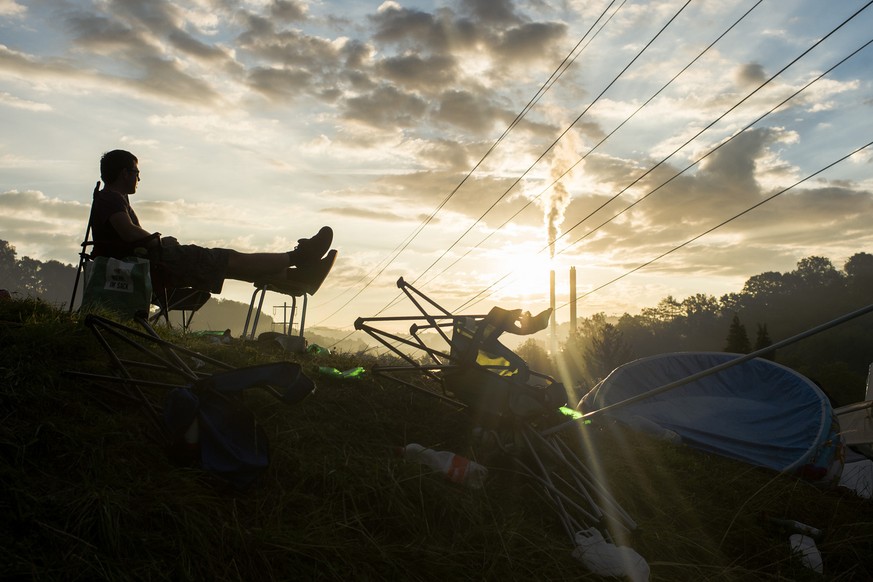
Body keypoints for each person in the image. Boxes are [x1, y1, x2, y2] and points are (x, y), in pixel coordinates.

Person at [90, 149, 336, 295]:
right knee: (230, 258)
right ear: (124, 173)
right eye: (136, 172)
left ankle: (298, 278)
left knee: (227, 266)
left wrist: (157, 241)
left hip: (147, 263)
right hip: (150, 266)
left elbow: (128, 237)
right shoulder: (110, 199)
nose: (139, 178)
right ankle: (300, 258)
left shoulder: (112, 199)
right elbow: (129, 233)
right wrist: (158, 242)